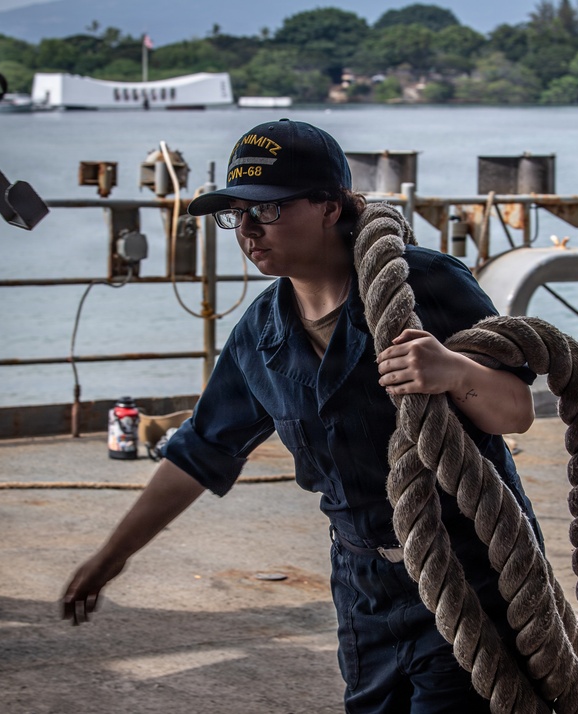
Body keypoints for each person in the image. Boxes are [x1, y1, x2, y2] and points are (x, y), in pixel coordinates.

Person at [61, 119, 543, 713]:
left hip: (470, 570)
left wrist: (456, 373)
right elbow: (198, 453)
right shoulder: (260, 335)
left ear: (329, 206)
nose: (246, 230)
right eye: (235, 214)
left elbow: (515, 412)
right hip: (363, 585)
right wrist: (111, 559)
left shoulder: (426, 284)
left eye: (266, 209)